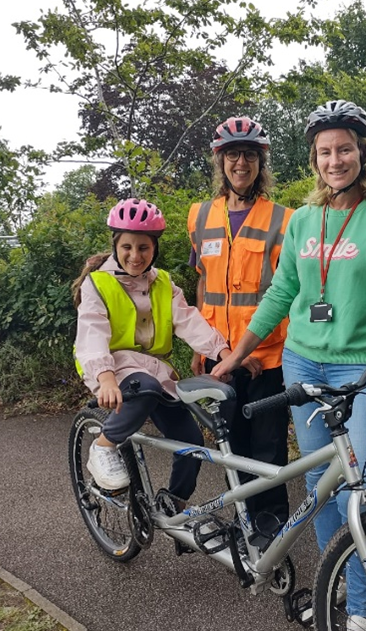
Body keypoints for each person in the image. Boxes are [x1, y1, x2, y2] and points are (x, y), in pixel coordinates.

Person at [211, 100, 366, 631]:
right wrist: (238, 353)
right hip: (303, 363)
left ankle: (358, 612)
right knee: (321, 490)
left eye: (345, 149)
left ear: (362, 153)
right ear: (315, 159)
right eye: (326, 151)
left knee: (359, 487)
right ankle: (342, 591)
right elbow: (282, 290)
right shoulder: (304, 219)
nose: (336, 160)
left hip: (362, 369)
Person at [73, 198, 231, 510]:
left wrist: (222, 351)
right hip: (113, 368)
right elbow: (92, 334)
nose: (135, 255)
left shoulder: (163, 283)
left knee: (193, 444)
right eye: (127, 247)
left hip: (157, 373)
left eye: (143, 248)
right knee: (144, 388)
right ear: (116, 246)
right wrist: (105, 379)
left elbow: (189, 321)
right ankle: (103, 447)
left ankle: (174, 502)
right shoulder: (98, 284)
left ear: (154, 249)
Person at [187, 116, 294, 536]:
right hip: (218, 360)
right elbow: (203, 283)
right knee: (232, 446)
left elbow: (285, 292)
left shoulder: (283, 219)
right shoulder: (199, 216)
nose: (241, 163)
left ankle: (272, 525)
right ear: (221, 161)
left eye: (249, 155)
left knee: (267, 446)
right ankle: (244, 518)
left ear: (260, 162)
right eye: (233, 154)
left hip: (266, 358)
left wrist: (245, 351)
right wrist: (203, 345)